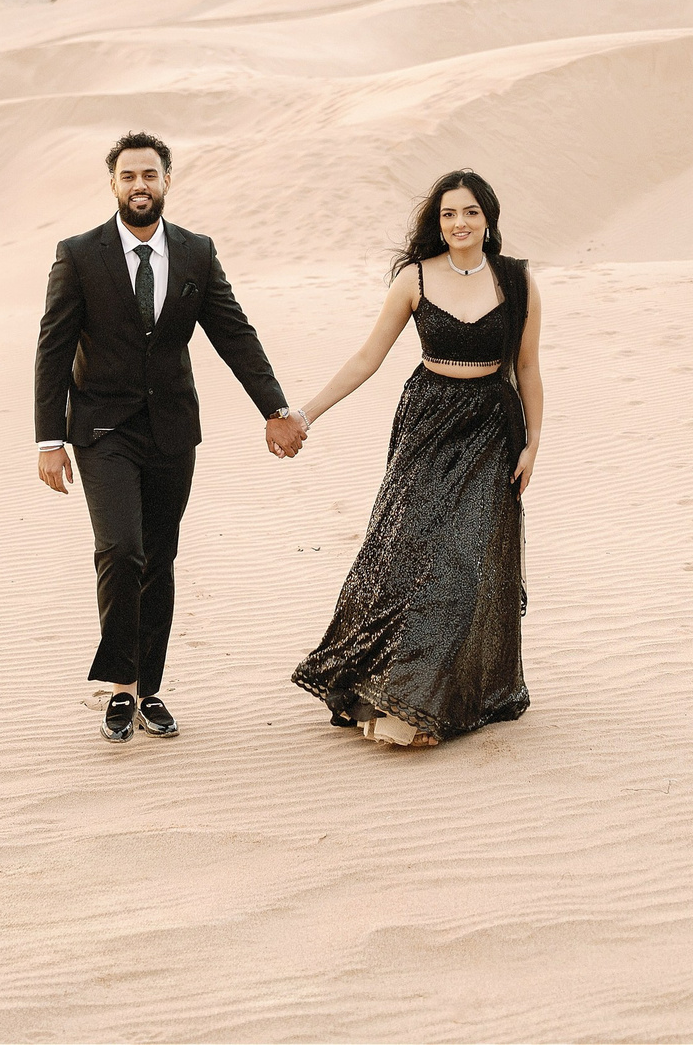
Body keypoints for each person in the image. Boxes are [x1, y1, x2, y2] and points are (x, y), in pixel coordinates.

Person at [34, 130, 307, 743]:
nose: (139, 185)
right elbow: (53, 350)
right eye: (128, 176)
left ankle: (148, 689)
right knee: (121, 550)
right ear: (113, 184)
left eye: (150, 175)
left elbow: (233, 334)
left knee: (160, 559)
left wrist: (276, 408)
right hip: (103, 429)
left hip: (173, 432)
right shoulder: (78, 254)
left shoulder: (195, 253)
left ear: (166, 181)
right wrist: (49, 440)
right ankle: (119, 687)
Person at [289, 169, 542, 747]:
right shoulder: (413, 278)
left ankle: (432, 699)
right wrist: (306, 414)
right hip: (428, 424)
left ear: (489, 218)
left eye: (471, 212)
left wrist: (533, 443)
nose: (460, 223)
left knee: (466, 562)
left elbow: (527, 367)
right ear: (437, 222)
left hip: (492, 430)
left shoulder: (519, 282)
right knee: (409, 550)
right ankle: (383, 682)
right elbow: (366, 358)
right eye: (449, 214)